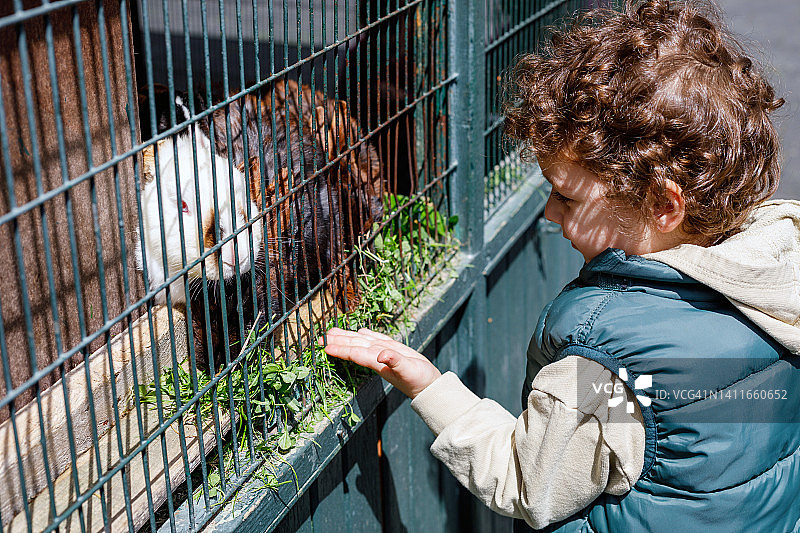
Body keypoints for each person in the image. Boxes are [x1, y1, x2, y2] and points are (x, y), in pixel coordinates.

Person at [324, 0, 800, 530]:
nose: (549, 213)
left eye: (567, 197)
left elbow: (528, 483)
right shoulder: (776, 280)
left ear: (663, 206)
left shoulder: (612, 367)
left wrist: (427, 385)